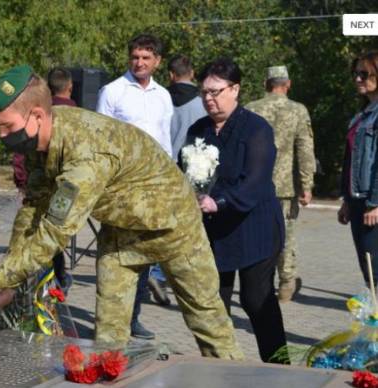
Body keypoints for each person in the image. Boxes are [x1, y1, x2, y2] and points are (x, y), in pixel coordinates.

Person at [0, 65, 243, 360]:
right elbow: (32, 214)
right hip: (122, 231)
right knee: (109, 335)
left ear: (38, 115)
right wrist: (7, 286)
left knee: (207, 320)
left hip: (173, 224)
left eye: (8, 127)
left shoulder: (85, 154)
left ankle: (235, 378)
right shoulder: (39, 144)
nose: (2, 137)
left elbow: (53, 233)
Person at [186, 58, 287, 363]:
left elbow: (255, 182)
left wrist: (218, 202)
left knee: (256, 300)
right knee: (214, 304)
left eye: (216, 91)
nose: (209, 98)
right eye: (204, 92)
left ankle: (279, 366)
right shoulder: (198, 130)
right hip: (215, 232)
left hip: (255, 226)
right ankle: (219, 366)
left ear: (235, 89)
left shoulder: (256, 128)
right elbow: (187, 174)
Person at [96, 33, 174, 338]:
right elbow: (102, 140)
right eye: (135, 57)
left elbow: (165, 141)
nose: (139, 62)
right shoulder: (113, 92)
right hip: (122, 187)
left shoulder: (163, 96)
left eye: (146, 57)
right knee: (116, 255)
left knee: (144, 254)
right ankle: (112, 322)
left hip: (154, 187)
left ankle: (133, 318)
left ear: (157, 61)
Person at [246, 65, 316, 302]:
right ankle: (286, 283)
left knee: (256, 235)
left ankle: (258, 284)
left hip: (253, 185)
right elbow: (305, 150)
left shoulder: (250, 109)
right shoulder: (298, 111)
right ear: (288, 84)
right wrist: (307, 185)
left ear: (266, 84)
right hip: (285, 187)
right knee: (285, 236)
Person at [338, 51, 378, 287]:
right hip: (358, 200)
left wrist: (376, 202)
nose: (358, 79)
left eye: (364, 74)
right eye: (356, 74)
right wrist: (346, 200)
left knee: (375, 268)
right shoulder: (361, 116)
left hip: (372, 202)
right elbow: (350, 160)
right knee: (368, 267)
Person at [47, 66, 76, 292]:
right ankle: (60, 279)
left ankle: (51, 280)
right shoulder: (80, 116)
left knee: (44, 232)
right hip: (69, 187)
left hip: (43, 185)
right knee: (58, 231)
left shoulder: (42, 113)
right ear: (70, 87)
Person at [168, 55, 207, 161]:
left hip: (167, 162)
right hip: (196, 163)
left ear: (171, 75)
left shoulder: (161, 99)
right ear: (192, 73)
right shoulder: (205, 101)